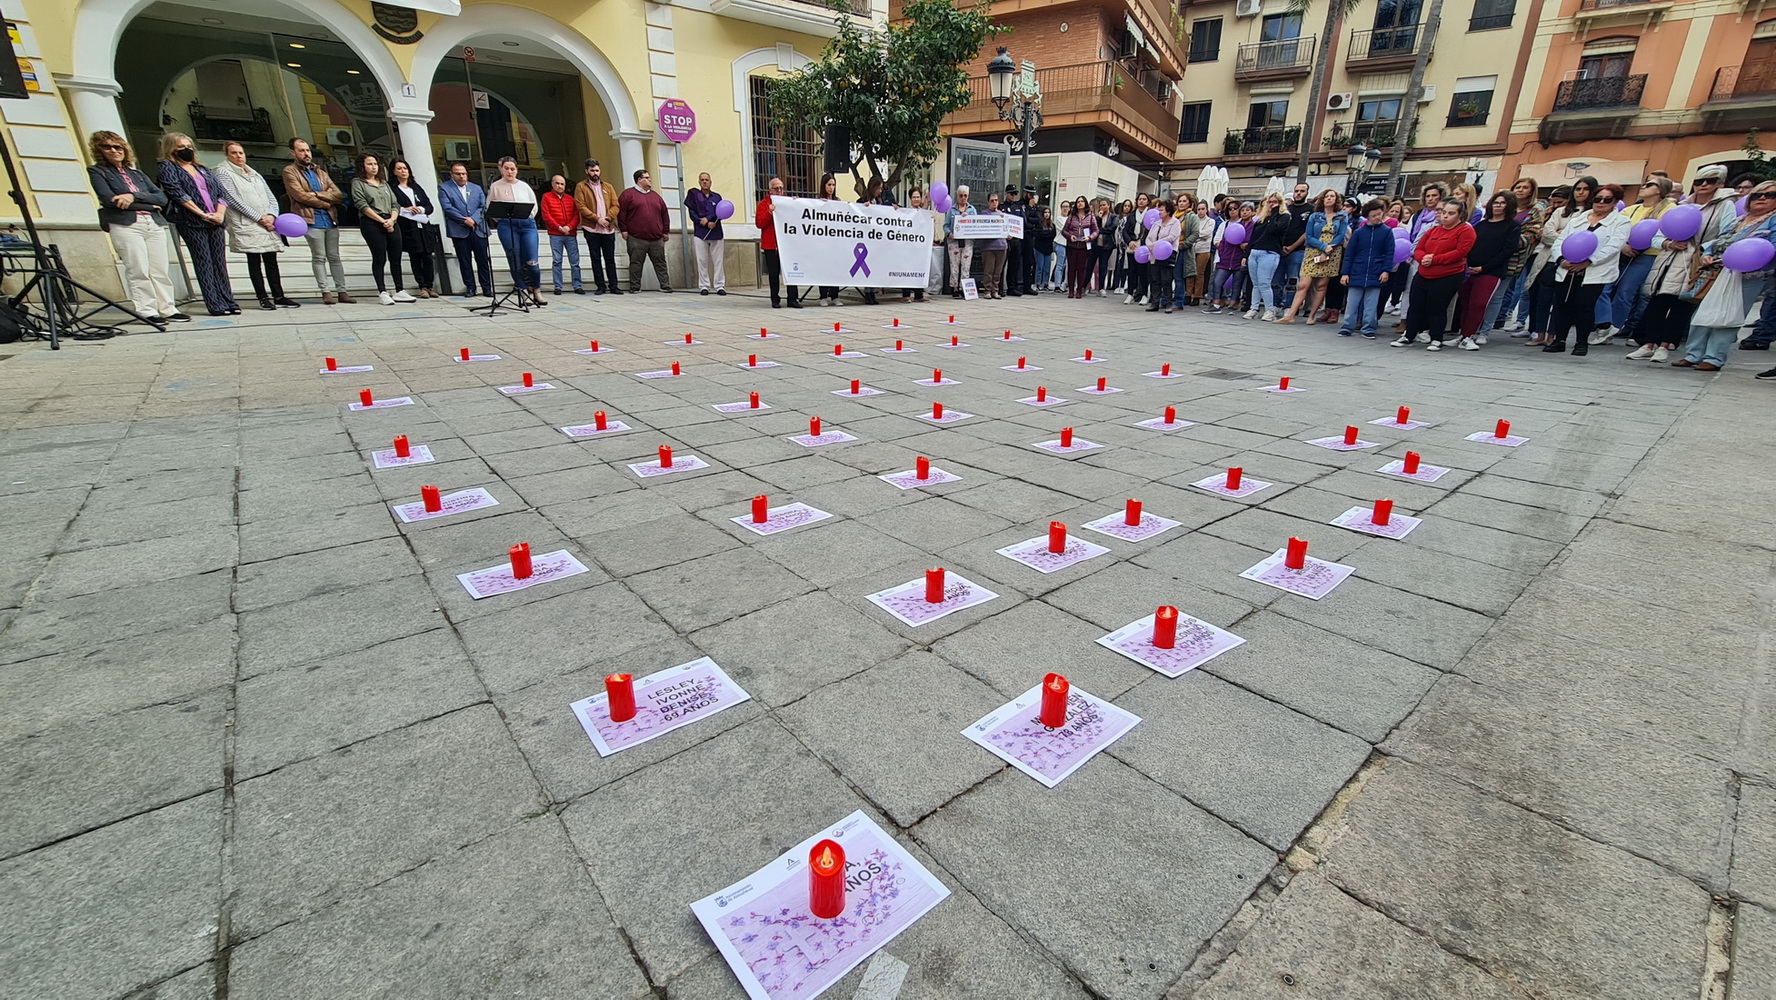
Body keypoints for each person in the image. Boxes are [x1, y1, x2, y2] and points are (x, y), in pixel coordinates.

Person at [1630, 166, 1737, 362]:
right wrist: (1669, 243)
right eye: (1699, 181)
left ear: (1720, 183)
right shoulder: (1681, 205)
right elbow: (1657, 235)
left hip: (1698, 260)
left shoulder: (1725, 205)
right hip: (1669, 259)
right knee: (1657, 301)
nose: (1703, 185)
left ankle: (1666, 345)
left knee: (1682, 304)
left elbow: (1727, 234)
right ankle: (1648, 344)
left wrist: (1706, 249)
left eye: (1710, 181)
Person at [1672, 180, 1776, 371]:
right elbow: (1718, 240)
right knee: (1703, 311)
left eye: (1770, 195)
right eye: (1757, 194)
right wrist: (1707, 254)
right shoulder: (1740, 219)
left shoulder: (1773, 220)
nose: (1762, 198)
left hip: (1748, 276)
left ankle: (1713, 358)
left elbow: (1771, 248)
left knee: (1730, 314)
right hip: (1717, 271)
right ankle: (1693, 354)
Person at [86, 131, 186, 325]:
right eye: (108, 147)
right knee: (138, 268)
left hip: (153, 223)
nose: (115, 151)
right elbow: (108, 199)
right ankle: (147, 310)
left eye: (118, 147)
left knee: (159, 269)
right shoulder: (98, 172)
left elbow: (162, 198)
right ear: (99, 150)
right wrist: (148, 203)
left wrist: (133, 197)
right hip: (126, 224)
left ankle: (168, 308)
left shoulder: (137, 173)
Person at [1542, 182, 1630, 356]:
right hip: (1567, 268)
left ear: (1615, 202)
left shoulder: (1621, 222)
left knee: (1585, 307)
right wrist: (1561, 259)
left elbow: (1614, 246)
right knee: (1562, 305)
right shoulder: (1578, 219)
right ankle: (1559, 340)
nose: (1601, 202)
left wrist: (1589, 261)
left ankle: (1581, 342)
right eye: (1598, 198)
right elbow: (1561, 240)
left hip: (1594, 271)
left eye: (1607, 199)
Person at [156, 133, 239, 315]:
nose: (187, 150)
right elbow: (177, 194)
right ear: (171, 149)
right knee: (204, 261)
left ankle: (228, 300)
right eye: (181, 147)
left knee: (219, 262)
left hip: (216, 220)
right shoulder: (168, 167)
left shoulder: (202, 169)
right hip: (192, 221)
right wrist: (202, 214)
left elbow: (220, 194)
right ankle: (214, 303)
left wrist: (219, 214)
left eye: (189, 147)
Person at [211, 140, 294, 311]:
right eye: (234, 153)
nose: (239, 156)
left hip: (266, 223)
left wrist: (271, 215)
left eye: (241, 152)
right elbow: (232, 199)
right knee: (254, 260)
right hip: (248, 223)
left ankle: (279, 295)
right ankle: (262, 297)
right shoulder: (222, 172)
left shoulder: (253, 172)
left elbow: (270, 196)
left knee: (271, 260)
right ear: (227, 155)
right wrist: (259, 218)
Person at [1600, 177, 1674, 343]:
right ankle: (1603, 324)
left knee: (1626, 291)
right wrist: (1623, 246)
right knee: (1606, 288)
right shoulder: (1631, 209)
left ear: (1660, 190)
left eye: (1650, 185)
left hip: (1649, 255)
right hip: (1623, 252)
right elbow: (1614, 228)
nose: (1643, 187)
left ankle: (1616, 327)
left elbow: (1663, 230)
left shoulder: (1669, 209)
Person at [1392, 202, 1474, 351]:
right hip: (1424, 272)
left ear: (1460, 215)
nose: (1445, 216)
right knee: (1415, 305)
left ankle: (1436, 338)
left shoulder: (1465, 230)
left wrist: (1434, 259)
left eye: (1451, 213)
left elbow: (1460, 252)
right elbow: (1419, 247)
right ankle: (1409, 335)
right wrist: (1422, 258)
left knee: (1437, 307)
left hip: (1448, 275)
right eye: (1444, 212)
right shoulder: (1433, 230)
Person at [282, 138, 351, 305]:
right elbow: (300, 196)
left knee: (335, 256)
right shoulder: (289, 171)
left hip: (330, 219)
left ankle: (342, 291)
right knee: (319, 257)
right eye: (301, 150)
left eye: (307, 150)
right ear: (293, 152)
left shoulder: (320, 172)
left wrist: (317, 194)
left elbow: (338, 194)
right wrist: (326, 200)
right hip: (311, 219)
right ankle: (325, 291)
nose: (306, 154)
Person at [1453, 192, 1520, 350]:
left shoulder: (1513, 226)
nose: (1498, 206)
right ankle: (1463, 335)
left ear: (1508, 206)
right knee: (1466, 303)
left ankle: (1471, 336)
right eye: (1496, 202)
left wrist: (1484, 268)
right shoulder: (1482, 225)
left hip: (1491, 271)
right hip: (1469, 269)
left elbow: (1507, 251)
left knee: (1479, 303)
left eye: (1502, 203)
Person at [349, 152, 414, 306]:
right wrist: (382, 221)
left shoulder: (384, 183)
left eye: (375, 164)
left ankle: (399, 290)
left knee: (396, 256)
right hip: (372, 222)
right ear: (362, 166)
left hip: (391, 220)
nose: (373, 167)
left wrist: (392, 219)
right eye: (370, 164)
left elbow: (395, 204)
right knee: (379, 257)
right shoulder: (358, 183)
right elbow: (362, 205)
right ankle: (382, 291)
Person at [1280, 189, 1347, 324]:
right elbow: (1309, 236)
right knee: (1303, 284)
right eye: (1326, 196)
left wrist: (1329, 248)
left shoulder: (1341, 216)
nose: (1329, 198)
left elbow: (1341, 235)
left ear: (1337, 199)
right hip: (1313, 250)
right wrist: (1323, 247)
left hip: (1332, 252)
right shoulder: (1315, 216)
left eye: (1332, 196)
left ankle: (1312, 315)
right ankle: (1290, 315)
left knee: (1321, 285)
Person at [1523, 185, 1577, 347]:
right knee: (1541, 299)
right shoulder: (1558, 212)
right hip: (1547, 260)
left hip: (1569, 262)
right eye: (1552, 202)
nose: (1555, 205)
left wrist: (1563, 236)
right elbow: (1545, 234)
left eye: (1559, 202)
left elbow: (1576, 239)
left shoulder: (1585, 214)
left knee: (1559, 301)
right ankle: (1539, 333)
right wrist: (1562, 236)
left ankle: (1553, 335)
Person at [1491, 177, 1546, 334]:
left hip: (1517, 255)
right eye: (1518, 186)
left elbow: (1532, 233)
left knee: (1509, 290)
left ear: (1531, 191)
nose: (1520, 190)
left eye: (1525, 187)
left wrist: (1509, 243)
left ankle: (1503, 319)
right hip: (1494, 254)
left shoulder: (1536, 209)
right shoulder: (1507, 207)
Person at [488, 157, 543, 305]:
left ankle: (537, 290)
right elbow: (491, 208)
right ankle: (523, 290)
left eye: (512, 169)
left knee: (532, 260)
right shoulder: (495, 186)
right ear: (501, 169)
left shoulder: (524, 186)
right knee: (514, 259)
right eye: (506, 168)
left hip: (527, 225)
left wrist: (528, 217)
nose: (510, 171)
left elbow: (534, 206)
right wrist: (502, 220)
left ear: (516, 170)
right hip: (507, 225)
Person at [1338, 199, 1394, 339]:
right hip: (1357, 270)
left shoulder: (1387, 232)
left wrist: (1386, 270)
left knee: (1371, 303)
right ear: (1368, 216)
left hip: (1376, 270)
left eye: (1379, 214)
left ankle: (1369, 327)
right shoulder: (1359, 232)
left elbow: (1389, 253)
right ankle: (1347, 326)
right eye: (1374, 215)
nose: (1377, 218)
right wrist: (1345, 273)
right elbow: (1349, 254)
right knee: (1352, 302)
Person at [438, 162, 493, 298]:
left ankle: (487, 288)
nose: (462, 176)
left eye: (464, 173)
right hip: (459, 230)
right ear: (451, 174)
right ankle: (470, 287)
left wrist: (474, 219)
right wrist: (464, 220)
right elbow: (448, 207)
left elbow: (483, 206)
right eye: (458, 174)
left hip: (478, 229)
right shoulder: (444, 188)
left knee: (483, 260)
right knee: (464, 260)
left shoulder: (476, 188)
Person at [389, 159, 440, 299]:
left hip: (423, 225)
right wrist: (405, 209)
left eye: (405, 168)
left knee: (428, 257)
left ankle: (430, 285)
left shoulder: (416, 187)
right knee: (416, 257)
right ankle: (422, 286)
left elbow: (429, 206)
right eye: (399, 168)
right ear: (393, 171)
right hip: (408, 227)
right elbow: (391, 206)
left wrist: (421, 209)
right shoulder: (392, 188)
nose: (403, 171)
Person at [618, 168, 672, 294]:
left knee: (660, 263)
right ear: (639, 180)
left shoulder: (656, 196)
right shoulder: (628, 195)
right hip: (636, 237)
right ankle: (635, 286)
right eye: (647, 178)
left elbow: (664, 213)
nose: (650, 180)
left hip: (656, 237)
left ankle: (665, 285)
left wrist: (666, 231)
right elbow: (621, 214)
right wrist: (624, 230)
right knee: (636, 263)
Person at [574, 160, 621, 295]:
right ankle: (600, 286)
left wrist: (607, 218)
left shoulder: (608, 186)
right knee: (596, 258)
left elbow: (615, 205)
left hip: (608, 228)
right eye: (592, 170)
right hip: (592, 228)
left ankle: (614, 285)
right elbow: (581, 206)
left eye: (597, 170)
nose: (595, 173)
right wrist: (597, 219)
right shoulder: (581, 187)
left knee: (610, 258)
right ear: (587, 171)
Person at [1245, 193, 1291, 321]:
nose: (1271, 204)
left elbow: (1273, 229)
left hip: (1270, 253)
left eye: (1275, 201)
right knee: (1256, 284)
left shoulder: (1284, 217)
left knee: (1264, 283)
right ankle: (1254, 308)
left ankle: (1269, 310)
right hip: (1255, 252)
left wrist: (1275, 211)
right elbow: (1253, 238)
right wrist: (1246, 254)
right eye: (1270, 202)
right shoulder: (1261, 218)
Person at [756, 177, 799, 309]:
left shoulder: (787, 202)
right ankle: (775, 299)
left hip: (787, 245)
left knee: (791, 272)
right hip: (771, 245)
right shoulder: (764, 204)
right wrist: (769, 212)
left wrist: (797, 204)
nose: (779, 191)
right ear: (770, 190)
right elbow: (759, 223)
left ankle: (792, 299)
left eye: (781, 188)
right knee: (773, 274)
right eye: (776, 188)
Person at [540, 173, 583, 295]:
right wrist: (559, 227)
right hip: (555, 234)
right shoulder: (546, 197)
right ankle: (558, 286)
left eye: (562, 184)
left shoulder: (571, 199)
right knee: (557, 261)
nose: (560, 186)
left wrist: (569, 227)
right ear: (552, 184)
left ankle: (577, 285)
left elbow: (576, 215)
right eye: (557, 183)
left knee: (575, 262)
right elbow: (546, 215)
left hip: (570, 234)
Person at [686, 172, 726, 295]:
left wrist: (708, 220)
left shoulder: (717, 197)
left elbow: (720, 211)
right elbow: (692, 213)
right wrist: (701, 221)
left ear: (710, 182)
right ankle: (704, 286)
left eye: (707, 180)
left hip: (716, 232)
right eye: (702, 180)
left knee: (718, 261)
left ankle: (720, 285)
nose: (704, 182)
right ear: (699, 182)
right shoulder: (694, 196)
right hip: (700, 233)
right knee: (702, 260)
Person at [1206, 202, 1250, 314]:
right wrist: (1222, 249)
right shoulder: (1224, 225)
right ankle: (1216, 304)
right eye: (1230, 209)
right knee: (1217, 281)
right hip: (1225, 258)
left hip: (1238, 258)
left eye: (1235, 208)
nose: (1232, 211)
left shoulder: (1244, 224)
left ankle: (1233, 304)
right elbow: (1216, 240)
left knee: (1237, 283)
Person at [1143, 199, 1183, 314]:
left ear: (1168, 211)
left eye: (1161, 210)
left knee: (1166, 279)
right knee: (1154, 278)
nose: (1159, 212)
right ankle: (1155, 302)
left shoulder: (1175, 223)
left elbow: (1171, 237)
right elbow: (1149, 237)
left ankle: (1168, 302)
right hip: (1154, 254)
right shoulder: (1156, 223)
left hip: (1167, 254)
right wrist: (1149, 245)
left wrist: (1155, 244)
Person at [1276, 181, 1311, 306]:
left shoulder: (1310, 210)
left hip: (1298, 250)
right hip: (1280, 249)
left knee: (1292, 280)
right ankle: (1276, 305)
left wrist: (1291, 247)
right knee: (1276, 280)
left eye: (1302, 191)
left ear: (1307, 193)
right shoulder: (1286, 209)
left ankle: (1289, 306)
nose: (1299, 193)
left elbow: (1307, 232)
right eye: (1297, 191)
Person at [811, 172, 844, 305]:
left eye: (833, 185)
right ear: (823, 186)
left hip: (835, 242)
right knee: (823, 268)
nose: (831, 188)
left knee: (835, 268)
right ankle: (823, 296)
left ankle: (835, 296)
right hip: (822, 242)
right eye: (829, 184)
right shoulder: (818, 202)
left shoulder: (838, 202)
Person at [1167, 193, 1202, 313]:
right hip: (1169, 249)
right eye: (1179, 201)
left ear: (1190, 203)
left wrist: (1185, 244)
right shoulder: (1173, 216)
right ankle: (1165, 299)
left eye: (1184, 201)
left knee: (1178, 277)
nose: (1181, 203)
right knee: (1167, 276)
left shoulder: (1191, 217)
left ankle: (1178, 302)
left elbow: (1195, 233)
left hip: (1182, 250)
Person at [902, 185, 935, 304]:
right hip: (909, 246)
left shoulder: (924, 213)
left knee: (919, 268)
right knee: (907, 269)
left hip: (920, 247)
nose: (916, 199)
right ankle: (906, 294)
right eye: (914, 197)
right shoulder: (907, 212)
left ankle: (918, 294)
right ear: (910, 199)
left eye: (918, 197)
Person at [1061, 196, 1097, 298]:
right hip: (1072, 246)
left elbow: (1096, 231)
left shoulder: (1090, 216)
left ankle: (1079, 290)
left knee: (1082, 269)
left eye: (1082, 201)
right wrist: (1069, 236)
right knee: (1071, 268)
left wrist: (1090, 238)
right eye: (1078, 202)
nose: (1080, 203)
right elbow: (1064, 230)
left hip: (1084, 246)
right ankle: (1071, 290)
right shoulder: (1072, 216)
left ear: (1085, 203)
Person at [945, 184, 976, 299]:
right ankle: (954, 288)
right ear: (957, 196)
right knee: (954, 265)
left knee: (966, 266)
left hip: (967, 241)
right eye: (961, 195)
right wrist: (949, 233)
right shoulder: (951, 210)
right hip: (954, 242)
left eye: (965, 196)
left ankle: (964, 287)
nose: (963, 198)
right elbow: (946, 225)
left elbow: (976, 224)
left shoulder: (972, 210)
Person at [1123, 192, 1152, 305]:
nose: (1142, 201)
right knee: (1131, 271)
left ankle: (1144, 294)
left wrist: (1143, 242)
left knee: (1143, 271)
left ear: (1148, 201)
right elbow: (1125, 230)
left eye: (1144, 199)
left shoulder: (1150, 214)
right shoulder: (1131, 215)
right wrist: (1129, 241)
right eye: (1140, 199)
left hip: (1144, 247)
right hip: (1132, 246)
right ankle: (1130, 294)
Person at [977, 192, 1007, 299]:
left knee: (997, 272)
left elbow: (1009, 229)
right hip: (988, 247)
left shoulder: (1003, 215)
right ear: (988, 202)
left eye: (996, 200)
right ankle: (987, 290)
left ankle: (995, 290)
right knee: (988, 271)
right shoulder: (984, 215)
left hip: (1002, 246)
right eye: (992, 201)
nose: (994, 203)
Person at [1188, 200, 1215, 306]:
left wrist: (1195, 235)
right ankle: (1188, 294)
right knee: (1190, 272)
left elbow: (1207, 233)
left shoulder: (1210, 221)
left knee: (1199, 273)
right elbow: (1190, 232)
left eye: (1203, 209)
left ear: (1207, 209)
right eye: (1199, 209)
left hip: (1204, 250)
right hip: (1192, 249)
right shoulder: (1193, 219)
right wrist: (1197, 235)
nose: (1200, 211)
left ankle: (1197, 296)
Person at [1002, 184, 1028, 296]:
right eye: (1011, 193)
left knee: (1014, 264)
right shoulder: (1001, 207)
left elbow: (1024, 222)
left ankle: (1011, 287)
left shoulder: (1018, 207)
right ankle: (999, 288)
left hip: (1016, 240)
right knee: (1001, 265)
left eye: (1015, 194)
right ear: (1006, 194)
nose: (1013, 196)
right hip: (1004, 240)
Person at [1032, 206, 1056, 300]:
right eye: (1045, 212)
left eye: (1048, 212)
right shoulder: (1039, 223)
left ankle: (1045, 284)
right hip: (1039, 248)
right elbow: (1039, 234)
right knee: (1039, 267)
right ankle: (1037, 284)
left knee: (1047, 268)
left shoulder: (1052, 225)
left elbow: (1052, 235)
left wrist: (1046, 235)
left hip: (1048, 248)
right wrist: (1046, 235)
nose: (1047, 214)